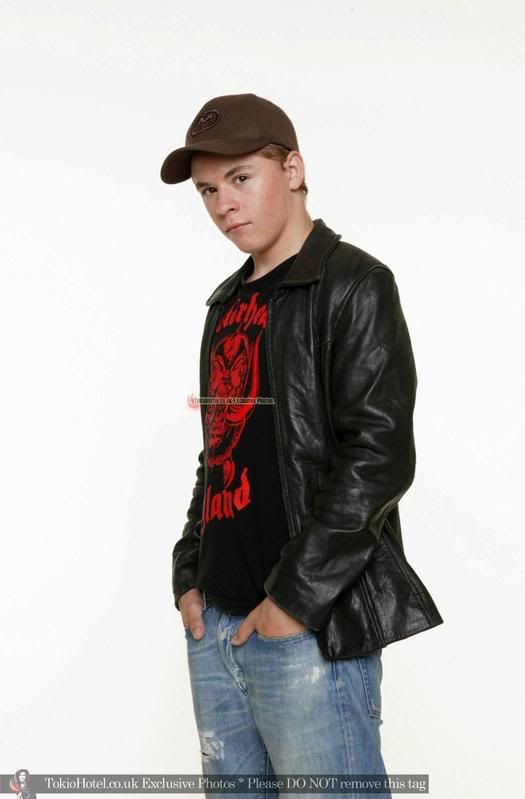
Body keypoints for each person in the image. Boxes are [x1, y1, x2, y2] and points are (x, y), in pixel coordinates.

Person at [160, 93, 443, 797]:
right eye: (207, 190)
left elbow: (378, 456)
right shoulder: (225, 303)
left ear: (292, 169)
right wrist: (189, 575)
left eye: (240, 178)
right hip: (216, 626)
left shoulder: (353, 284)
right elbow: (218, 448)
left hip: (307, 624)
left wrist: (293, 600)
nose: (223, 204)